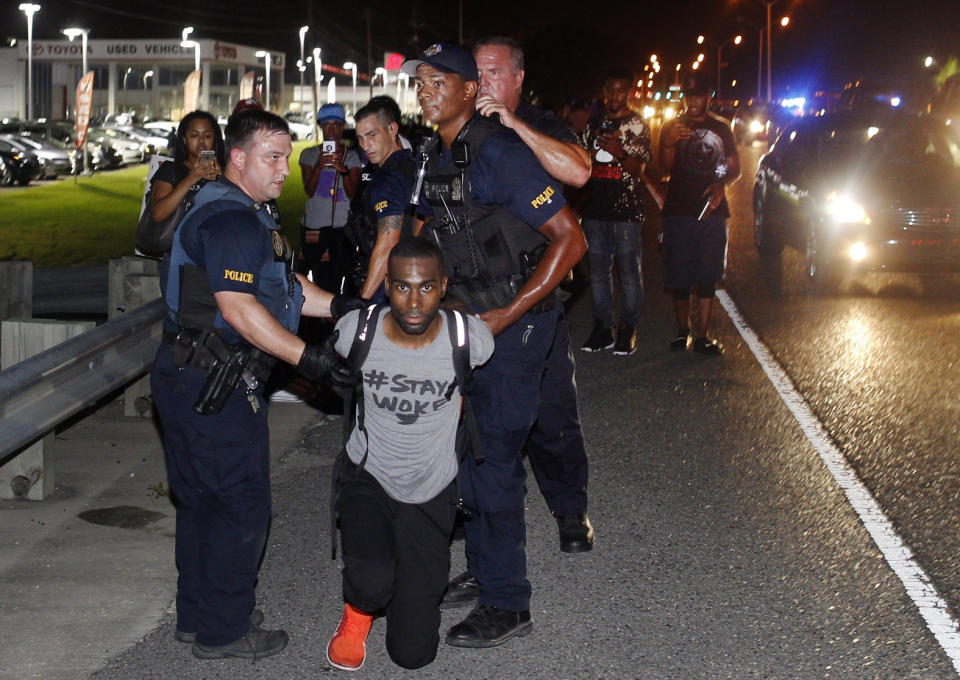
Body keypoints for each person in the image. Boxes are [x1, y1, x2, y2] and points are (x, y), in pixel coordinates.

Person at [151, 109, 361, 661]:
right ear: (237, 158)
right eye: (271, 158)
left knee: (201, 503)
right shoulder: (231, 221)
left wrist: (339, 306)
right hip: (212, 381)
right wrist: (311, 360)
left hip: (189, 373)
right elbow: (240, 309)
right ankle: (225, 630)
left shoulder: (242, 210)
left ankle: (201, 616)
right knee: (239, 506)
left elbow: (280, 284)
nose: (283, 170)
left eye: (287, 157)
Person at [402, 42, 589, 648]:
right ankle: (486, 571)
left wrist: (508, 313)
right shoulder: (436, 153)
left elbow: (570, 239)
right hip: (465, 322)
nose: (427, 90)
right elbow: (434, 232)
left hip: (515, 324)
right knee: (468, 455)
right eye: (420, 81)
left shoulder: (501, 151)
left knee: (495, 459)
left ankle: (508, 603)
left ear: (466, 92)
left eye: (439, 81)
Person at [325, 237, 495, 671]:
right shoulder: (356, 332)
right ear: (387, 286)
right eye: (402, 287)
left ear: (442, 286)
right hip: (369, 475)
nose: (413, 300)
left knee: (413, 655)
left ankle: (399, 591)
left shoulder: (469, 340)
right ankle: (358, 613)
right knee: (371, 582)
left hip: (432, 486)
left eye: (425, 287)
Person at [658, 71, 740, 356]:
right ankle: (684, 331)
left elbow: (731, 166)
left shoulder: (721, 127)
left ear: (709, 97)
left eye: (699, 95)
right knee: (679, 274)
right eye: (689, 96)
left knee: (708, 273)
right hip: (678, 209)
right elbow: (665, 168)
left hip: (712, 211)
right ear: (684, 98)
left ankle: (703, 335)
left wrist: (719, 182)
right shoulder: (672, 126)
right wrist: (668, 142)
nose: (694, 101)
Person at [578, 68, 653, 356]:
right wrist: (590, 154)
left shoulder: (636, 125)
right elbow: (582, 161)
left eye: (621, 90)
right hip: (596, 208)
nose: (614, 96)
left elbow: (639, 170)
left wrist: (620, 151)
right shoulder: (594, 123)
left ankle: (628, 329)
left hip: (627, 212)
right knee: (598, 274)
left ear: (630, 92)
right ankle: (602, 328)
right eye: (610, 90)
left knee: (629, 275)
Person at [473, 36, 590, 188]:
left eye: (493, 73)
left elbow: (579, 174)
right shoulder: (468, 122)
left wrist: (514, 123)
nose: (482, 83)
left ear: (518, 78)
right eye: (477, 73)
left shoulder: (541, 122)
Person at [349, 99, 420, 304]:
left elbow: (388, 242)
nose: (365, 145)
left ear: (392, 128)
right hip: (409, 276)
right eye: (360, 138)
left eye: (372, 135)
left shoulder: (388, 179)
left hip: (387, 285)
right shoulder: (411, 164)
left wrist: (363, 300)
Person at [148, 110, 225, 295]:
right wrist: (192, 178)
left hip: (218, 255)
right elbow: (158, 213)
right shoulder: (170, 170)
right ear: (183, 139)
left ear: (215, 138)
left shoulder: (226, 170)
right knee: (178, 315)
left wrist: (223, 178)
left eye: (207, 136)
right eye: (194, 136)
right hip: (179, 258)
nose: (201, 142)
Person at [299, 103, 363, 293]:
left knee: (341, 277)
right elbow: (309, 191)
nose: (332, 130)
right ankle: (316, 320)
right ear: (320, 126)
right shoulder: (309, 154)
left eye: (336, 125)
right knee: (316, 279)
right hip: (315, 226)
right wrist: (319, 166)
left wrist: (342, 170)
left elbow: (352, 192)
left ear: (343, 126)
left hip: (342, 227)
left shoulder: (351, 156)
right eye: (327, 125)